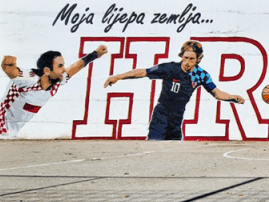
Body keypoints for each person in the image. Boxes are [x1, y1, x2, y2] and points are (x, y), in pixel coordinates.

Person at [104, 40, 245, 140]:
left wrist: (232, 97)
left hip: (177, 118)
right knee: (154, 146)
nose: (187, 62)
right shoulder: (170, 68)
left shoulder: (201, 75)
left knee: (174, 152)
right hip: (161, 114)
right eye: (185, 58)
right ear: (181, 56)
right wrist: (118, 77)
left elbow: (216, 93)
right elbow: (143, 72)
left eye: (191, 59)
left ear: (199, 59)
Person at [0, 46, 108, 138]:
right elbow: (14, 73)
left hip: (11, 134)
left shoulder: (57, 81)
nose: (64, 69)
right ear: (47, 70)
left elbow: (75, 67)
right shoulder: (30, 79)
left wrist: (95, 54)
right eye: (60, 66)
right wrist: (8, 65)